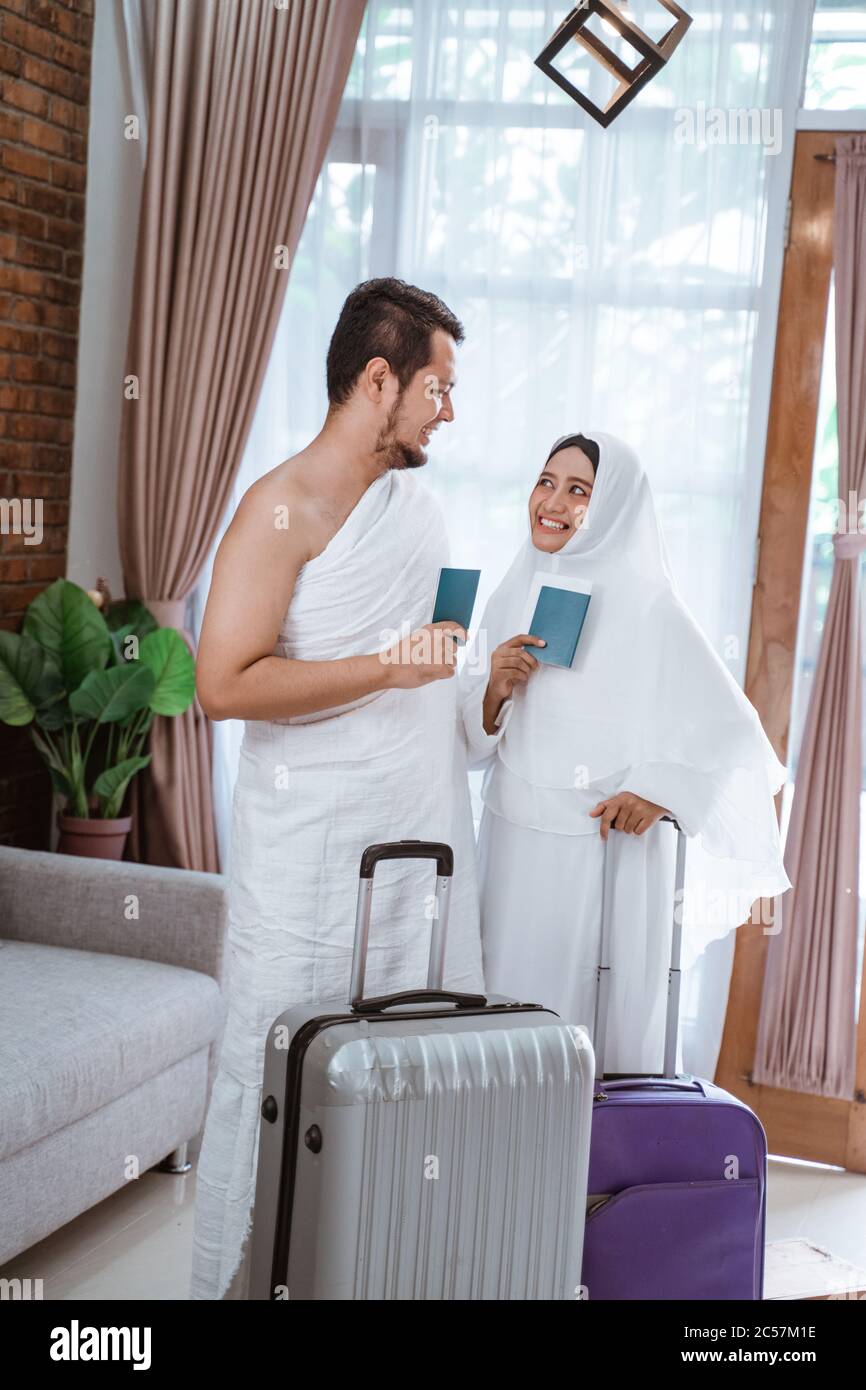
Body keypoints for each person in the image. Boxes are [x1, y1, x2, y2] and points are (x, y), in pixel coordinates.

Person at [189, 278, 485, 1299]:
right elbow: (222, 682)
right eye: (435, 389)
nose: (446, 410)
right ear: (377, 379)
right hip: (308, 857)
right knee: (281, 1078)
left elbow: (427, 665)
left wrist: (470, 679)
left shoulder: (415, 503)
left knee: (401, 1077)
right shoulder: (278, 511)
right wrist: (386, 667)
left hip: (413, 848)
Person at [460, 430, 791, 1075]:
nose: (551, 501)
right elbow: (473, 742)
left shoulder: (651, 609)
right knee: (504, 1029)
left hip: (604, 861)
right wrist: (493, 689)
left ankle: (597, 1171)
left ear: (610, 506)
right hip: (513, 849)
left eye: (578, 489)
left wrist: (659, 789)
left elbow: (733, 738)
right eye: (545, 481)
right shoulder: (513, 592)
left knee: (590, 1040)